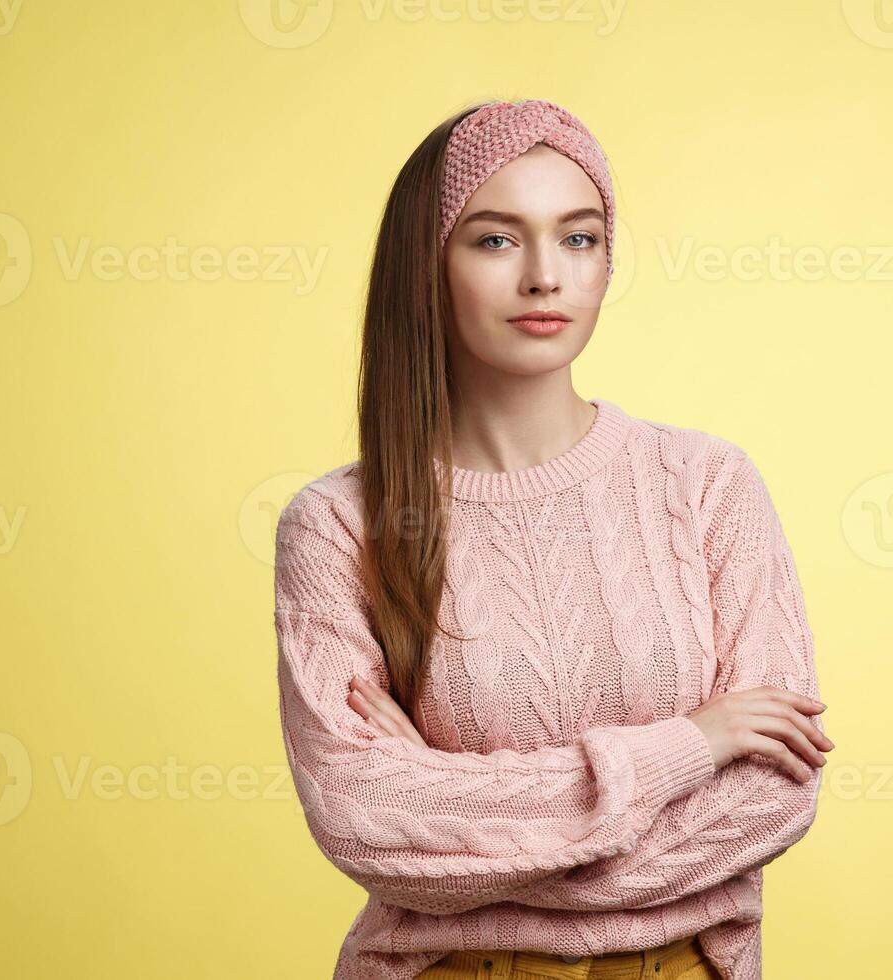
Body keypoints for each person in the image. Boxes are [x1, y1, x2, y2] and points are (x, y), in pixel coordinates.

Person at [272, 98, 832, 980]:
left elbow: (770, 800)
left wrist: (460, 827)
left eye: (579, 238)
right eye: (495, 240)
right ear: (427, 267)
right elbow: (363, 817)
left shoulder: (707, 485)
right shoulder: (340, 524)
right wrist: (690, 744)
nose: (545, 276)